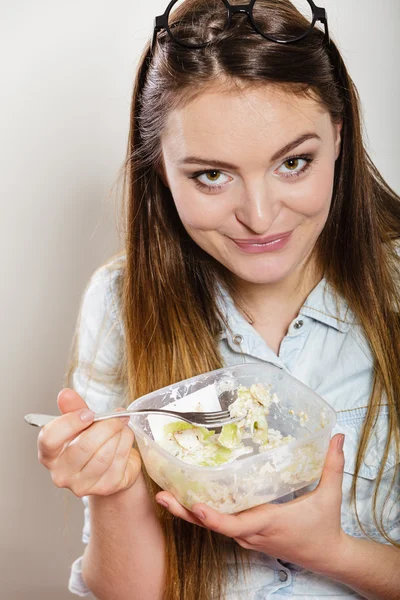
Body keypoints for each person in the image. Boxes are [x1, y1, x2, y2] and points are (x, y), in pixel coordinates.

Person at [37, 1, 400, 598]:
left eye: (293, 162)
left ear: (339, 136)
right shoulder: (120, 300)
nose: (260, 217)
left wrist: (332, 553)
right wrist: (115, 487)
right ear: (160, 168)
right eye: (211, 175)